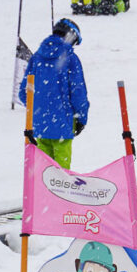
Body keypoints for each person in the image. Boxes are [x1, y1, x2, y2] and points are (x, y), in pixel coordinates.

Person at [19, 19, 89, 169]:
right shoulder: (70, 59)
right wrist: (81, 118)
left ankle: (45, 193)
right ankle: (60, 192)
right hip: (63, 125)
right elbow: (78, 94)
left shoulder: (36, 58)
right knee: (61, 174)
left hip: (39, 126)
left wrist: (39, 110)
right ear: (70, 36)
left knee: (45, 171)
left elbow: (24, 93)